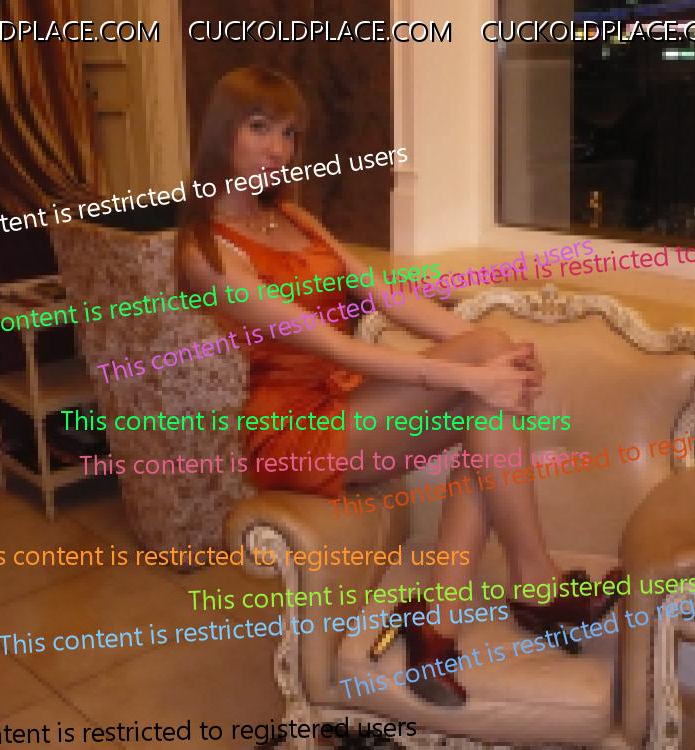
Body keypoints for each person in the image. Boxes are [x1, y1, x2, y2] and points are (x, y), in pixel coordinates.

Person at [176, 65, 621, 708]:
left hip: (347, 397)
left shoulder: (293, 216)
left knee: (487, 399)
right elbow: (331, 344)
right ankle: (534, 584)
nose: (277, 148)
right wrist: (472, 370)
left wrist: (504, 355)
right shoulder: (205, 251)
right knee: (481, 383)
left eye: (289, 134)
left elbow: (385, 295)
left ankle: (437, 626)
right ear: (223, 131)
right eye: (260, 127)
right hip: (295, 428)